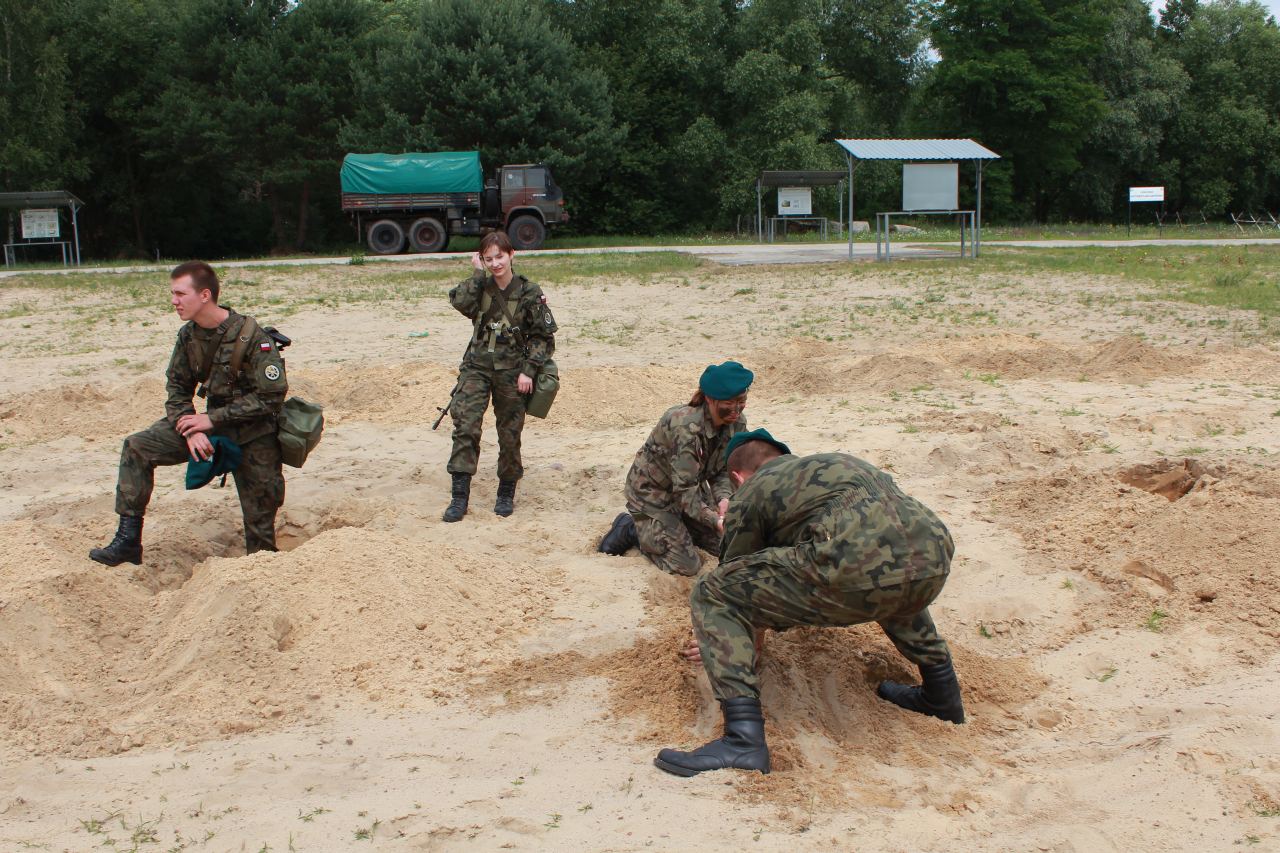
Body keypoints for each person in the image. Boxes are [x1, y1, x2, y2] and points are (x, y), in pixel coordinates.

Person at [654, 429, 963, 777]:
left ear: (738, 477)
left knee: (713, 591)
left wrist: (732, 641)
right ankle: (942, 695)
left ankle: (743, 741)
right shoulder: (836, 466)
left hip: (855, 563)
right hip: (933, 553)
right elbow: (883, 544)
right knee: (890, 572)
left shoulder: (753, 489)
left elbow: (736, 576)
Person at [89, 261, 288, 566]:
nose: (174, 301)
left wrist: (211, 420)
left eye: (180, 294)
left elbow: (271, 398)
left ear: (205, 295)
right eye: (173, 294)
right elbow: (177, 388)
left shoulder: (252, 337)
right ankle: (127, 542)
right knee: (137, 446)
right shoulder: (188, 336)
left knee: (260, 536)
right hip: (208, 427)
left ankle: (261, 571)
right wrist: (191, 429)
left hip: (254, 434)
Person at [597, 361, 752, 576]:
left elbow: (722, 470)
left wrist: (724, 499)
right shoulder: (685, 427)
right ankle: (631, 529)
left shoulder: (736, 423)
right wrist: (714, 520)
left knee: (726, 546)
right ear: (709, 399)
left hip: (691, 488)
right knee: (685, 565)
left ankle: (678, 528)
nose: (736, 409)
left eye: (741, 401)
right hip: (653, 493)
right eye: (729, 403)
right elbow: (684, 492)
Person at [442, 231, 556, 521]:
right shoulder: (480, 286)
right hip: (476, 368)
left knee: (509, 433)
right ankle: (459, 497)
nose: (495, 264)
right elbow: (459, 302)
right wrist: (477, 274)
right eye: (488, 259)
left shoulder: (530, 292)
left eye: (499, 257)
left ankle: (506, 492)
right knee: (466, 427)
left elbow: (543, 338)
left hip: (512, 373)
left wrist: (528, 371)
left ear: (511, 255)